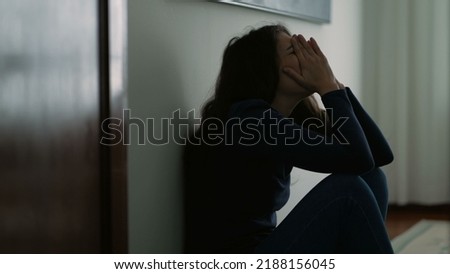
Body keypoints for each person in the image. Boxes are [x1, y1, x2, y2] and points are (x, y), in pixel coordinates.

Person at [183, 24, 394, 253]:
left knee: (372, 177)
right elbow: (359, 158)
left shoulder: (286, 118)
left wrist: (334, 84)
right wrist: (328, 89)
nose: (310, 58)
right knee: (348, 189)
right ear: (265, 69)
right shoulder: (250, 122)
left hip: (265, 248)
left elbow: (379, 155)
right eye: (295, 51)